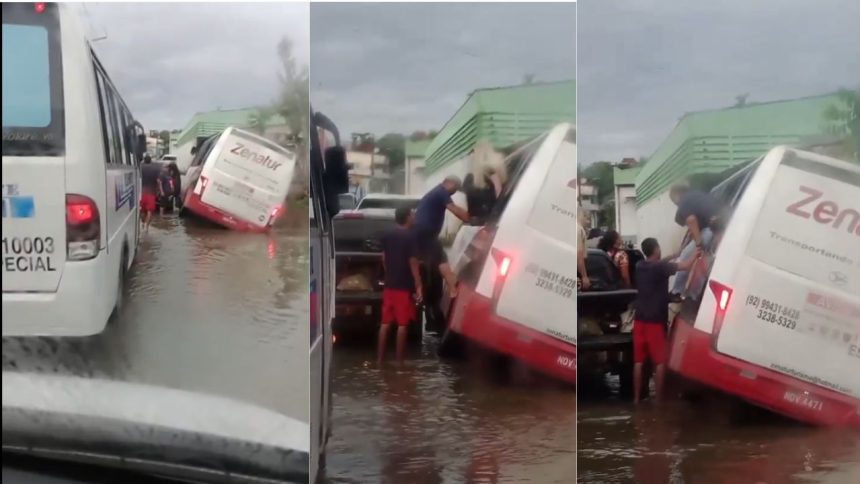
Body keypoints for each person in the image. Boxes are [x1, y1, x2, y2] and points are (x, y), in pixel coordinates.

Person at [633, 237, 699, 404]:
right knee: (660, 361)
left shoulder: (640, 266)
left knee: (639, 361)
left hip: (639, 319)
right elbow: (685, 266)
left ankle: (636, 399)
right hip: (655, 321)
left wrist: (673, 255)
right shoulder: (661, 268)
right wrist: (697, 254)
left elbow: (659, 264)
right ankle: (659, 400)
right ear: (655, 249)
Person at [377, 207, 423, 364]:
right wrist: (418, 283)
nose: (414, 217)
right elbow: (413, 262)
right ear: (408, 217)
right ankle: (399, 361)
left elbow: (383, 258)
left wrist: (390, 272)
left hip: (389, 285)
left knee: (385, 323)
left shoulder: (387, 235)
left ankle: (380, 359)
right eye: (412, 215)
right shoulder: (411, 237)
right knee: (402, 324)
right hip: (403, 286)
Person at [412, 175, 471, 296]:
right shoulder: (441, 192)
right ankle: (453, 289)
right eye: (455, 189)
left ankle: (424, 289)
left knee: (433, 260)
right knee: (441, 259)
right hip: (427, 233)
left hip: (421, 232)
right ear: (450, 183)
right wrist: (470, 218)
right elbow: (454, 209)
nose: (454, 193)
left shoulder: (436, 192)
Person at [669, 183, 721, 299]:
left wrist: (698, 242)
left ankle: (677, 291)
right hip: (720, 228)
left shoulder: (684, 201)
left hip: (710, 230)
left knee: (685, 257)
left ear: (677, 194)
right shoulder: (697, 196)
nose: (675, 204)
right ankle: (694, 296)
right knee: (704, 262)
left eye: (673, 200)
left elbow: (691, 220)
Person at [139, 154, 159, 232]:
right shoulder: (155, 169)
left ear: (144, 160)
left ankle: (142, 223)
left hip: (142, 192)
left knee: (142, 210)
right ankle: (147, 227)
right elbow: (158, 181)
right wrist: (158, 191)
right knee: (150, 211)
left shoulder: (140, 168)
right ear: (151, 160)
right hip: (151, 193)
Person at [577, 212, 591, 290]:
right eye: (587, 219)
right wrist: (584, 276)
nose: (588, 223)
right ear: (582, 216)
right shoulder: (579, 230)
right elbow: (579, 254)